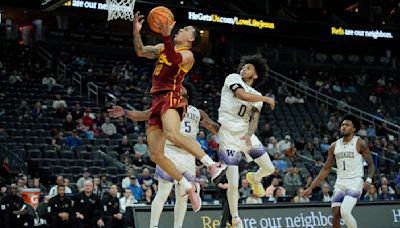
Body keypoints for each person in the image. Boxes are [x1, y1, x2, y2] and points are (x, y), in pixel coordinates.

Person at [109, 11, 227, 210]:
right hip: (157, 99)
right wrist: (136, 32)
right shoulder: (163, 47)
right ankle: (188, 185)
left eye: (185, 29)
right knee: (155, 155)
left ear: (190, 39)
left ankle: (211, 165)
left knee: (172, 133)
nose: (180, 29)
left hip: (172, 95)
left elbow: (174, 60)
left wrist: (165, 34)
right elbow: (141, 51)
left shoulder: (188, 55)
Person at [110, 87, 220, 227]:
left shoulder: (198, 112)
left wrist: (218, 128)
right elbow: (143, 115)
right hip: (169, 151)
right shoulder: (166, 108)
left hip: (188, 155)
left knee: (183, 196)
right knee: (163, 192)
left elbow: (213, 126)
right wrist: (125, 112)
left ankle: (178, 226)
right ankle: (153, 225)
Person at [216, 54, 276, 226]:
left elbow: (254, 118)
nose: (243, 69)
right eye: (243, 66)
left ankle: (255, 179)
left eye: (248, 68)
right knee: (233, 183)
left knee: (269, 168)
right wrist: (266, 99)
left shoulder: (256, 94)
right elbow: (242, 95)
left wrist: (250, 134)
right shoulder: (233, 78)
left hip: (244, 135)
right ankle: (235, 218)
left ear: (256, 75)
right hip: (228, 135)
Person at [304, 115, 375, 228]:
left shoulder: (360, 143)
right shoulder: (334, 146)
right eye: (342, 125)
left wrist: (369, 180)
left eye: (347, 125)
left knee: (345, 212)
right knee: (336, 215)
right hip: (340, 183)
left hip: (355, 182)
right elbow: (326, 169)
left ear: (354, 129)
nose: (343, 127)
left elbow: (371, 165)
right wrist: (311, 187)